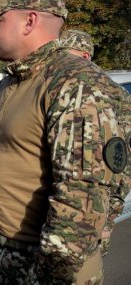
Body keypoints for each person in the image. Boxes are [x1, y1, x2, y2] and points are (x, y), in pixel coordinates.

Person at [0, 0, 130, 284]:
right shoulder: (0, 90)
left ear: (30, 21)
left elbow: (79, 203)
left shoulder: (75, 82)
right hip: (1, 252)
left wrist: (50, 274)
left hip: (45, 267)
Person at [60, 29, 131, 257]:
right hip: (62, 209)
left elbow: (121, 161)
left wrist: (108, 219)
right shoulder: (65, 91)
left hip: (95, 212)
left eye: (66, 56)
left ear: (84, 57)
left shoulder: (113, 95)